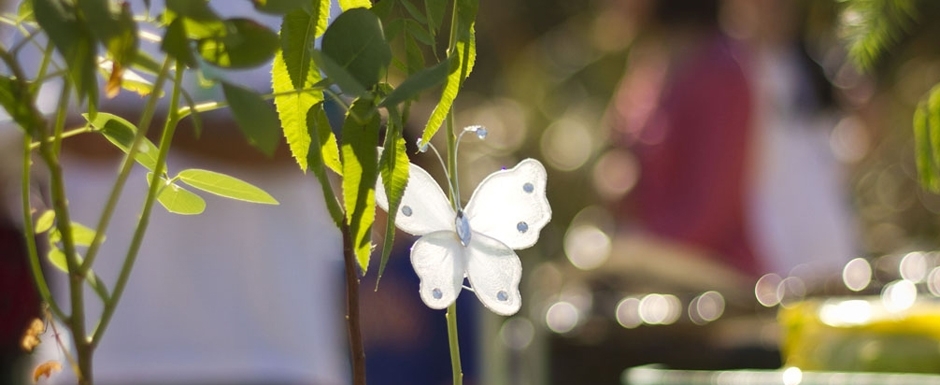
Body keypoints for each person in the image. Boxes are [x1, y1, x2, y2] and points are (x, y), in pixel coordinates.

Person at [607, 0, 761, 277]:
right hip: (651, 273)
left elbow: (709, 213)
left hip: (712, 285)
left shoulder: (720, 72)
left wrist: (635, 254)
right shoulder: (650, 66)